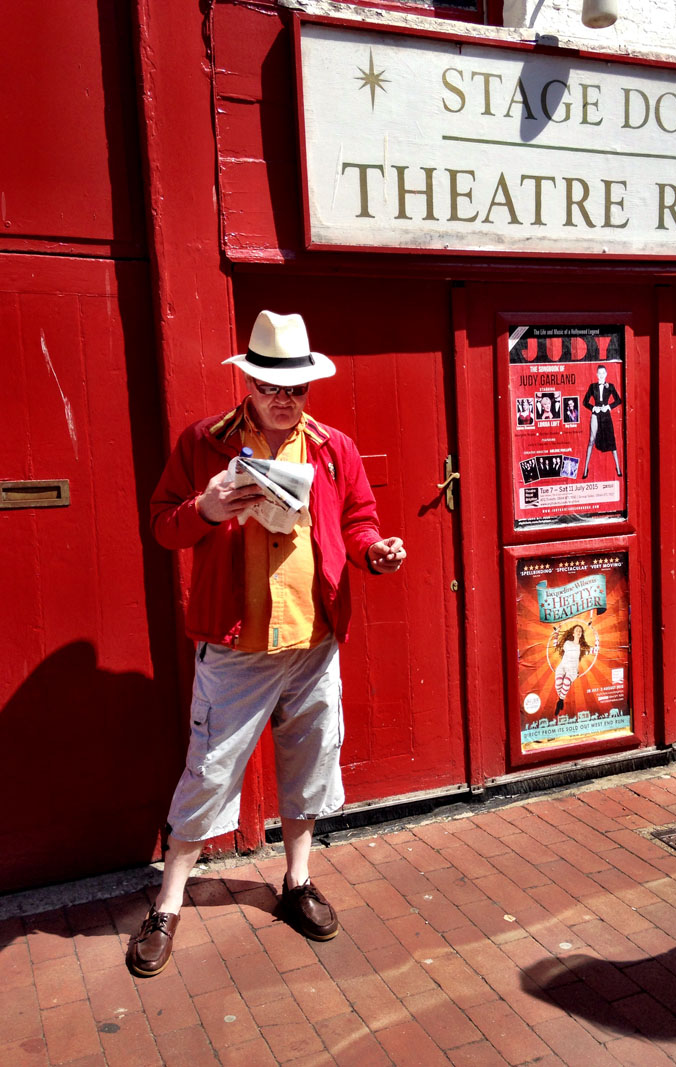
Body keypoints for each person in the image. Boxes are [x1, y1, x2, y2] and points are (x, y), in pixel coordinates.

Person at [127, 310, 406, 978]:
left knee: (310, 762)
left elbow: (359, 519)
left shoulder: (332, 447)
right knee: (209, 770)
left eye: (296, 388)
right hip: (237, 644)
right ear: (248, 382)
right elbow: (162, 526)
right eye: (269, 385)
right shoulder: (205, 442)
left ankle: (297, 879)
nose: (284, 398)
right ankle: (167, 904)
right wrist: (205, 510)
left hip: (313, 639)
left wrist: (374, 551)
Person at [582, 365, 622, 479]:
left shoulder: (610, 386)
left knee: (611, 440)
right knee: (591, 440)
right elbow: (585, 402)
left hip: (606, 415)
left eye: (603, 373)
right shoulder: (592, 386)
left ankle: (618, 468)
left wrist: (608, 407)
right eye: (599, 373)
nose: (601, 375)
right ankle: (585, 469)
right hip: (596, 414)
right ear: (596, 374)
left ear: (606, 374)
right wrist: (593, 408)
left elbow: (619, 400)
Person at [551, 617, 597, 714]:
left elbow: (596, 649)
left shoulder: (582, 648)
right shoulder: (567, 643)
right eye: (577, 630)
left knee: (566, 681)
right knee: (558, 683)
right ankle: (561, 699)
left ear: (581, 634)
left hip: (572, 669)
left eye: (580, 631)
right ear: (573, 633)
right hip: (563, 666)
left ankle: (560, 701)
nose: (579, 632)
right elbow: (556, 645)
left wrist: (593, 630)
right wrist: (556, 633)